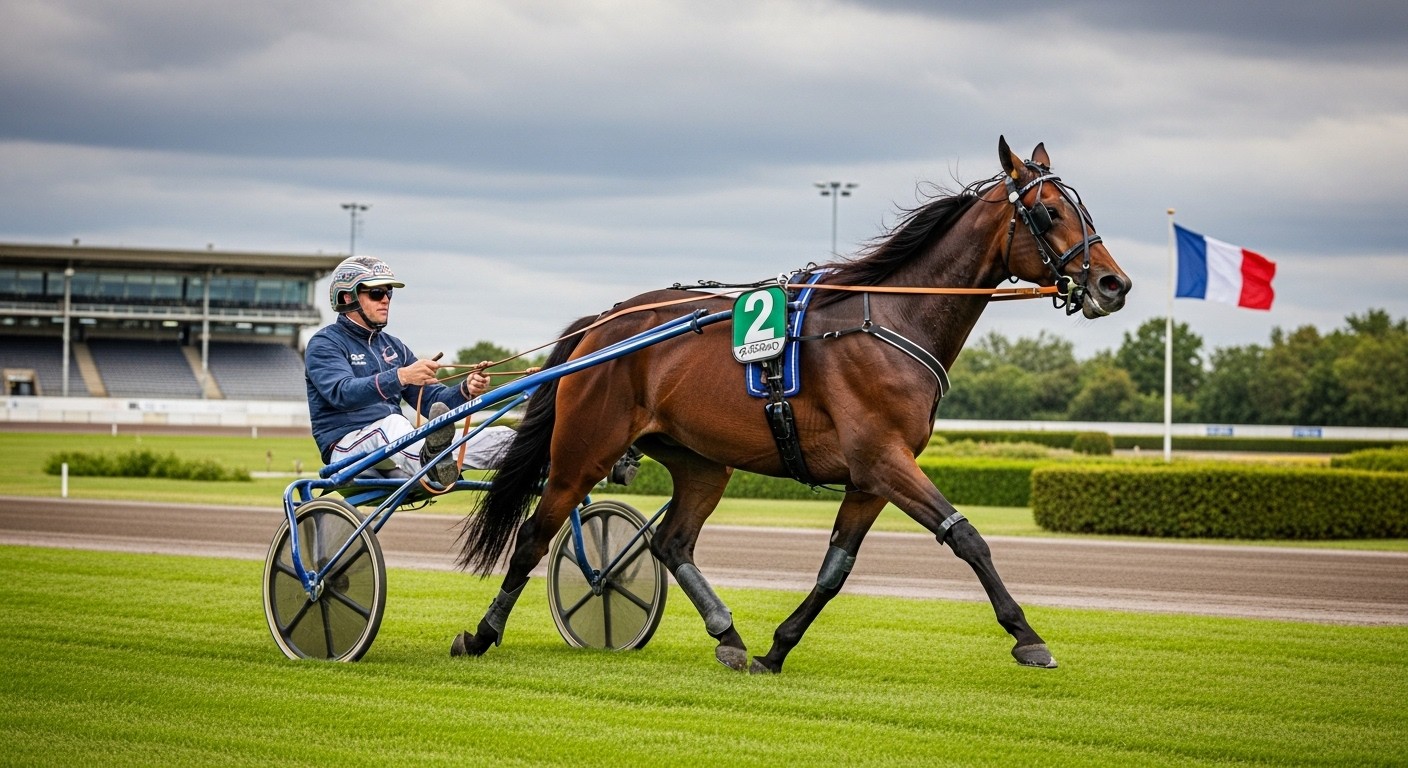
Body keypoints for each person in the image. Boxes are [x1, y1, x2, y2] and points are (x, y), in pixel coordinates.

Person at [305, 255, 515, 488]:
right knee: (392, 424)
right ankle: (432, 463)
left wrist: (466, 389)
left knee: (502, 437)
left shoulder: (394, 347)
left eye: (389, 293)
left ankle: (542, 461)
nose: (385, 300)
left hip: (399, 450)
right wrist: (401, 376)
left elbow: (434, 403)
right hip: (347, 451)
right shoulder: (325, 343)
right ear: (347, 297)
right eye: (376, 293)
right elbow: (341, 393)